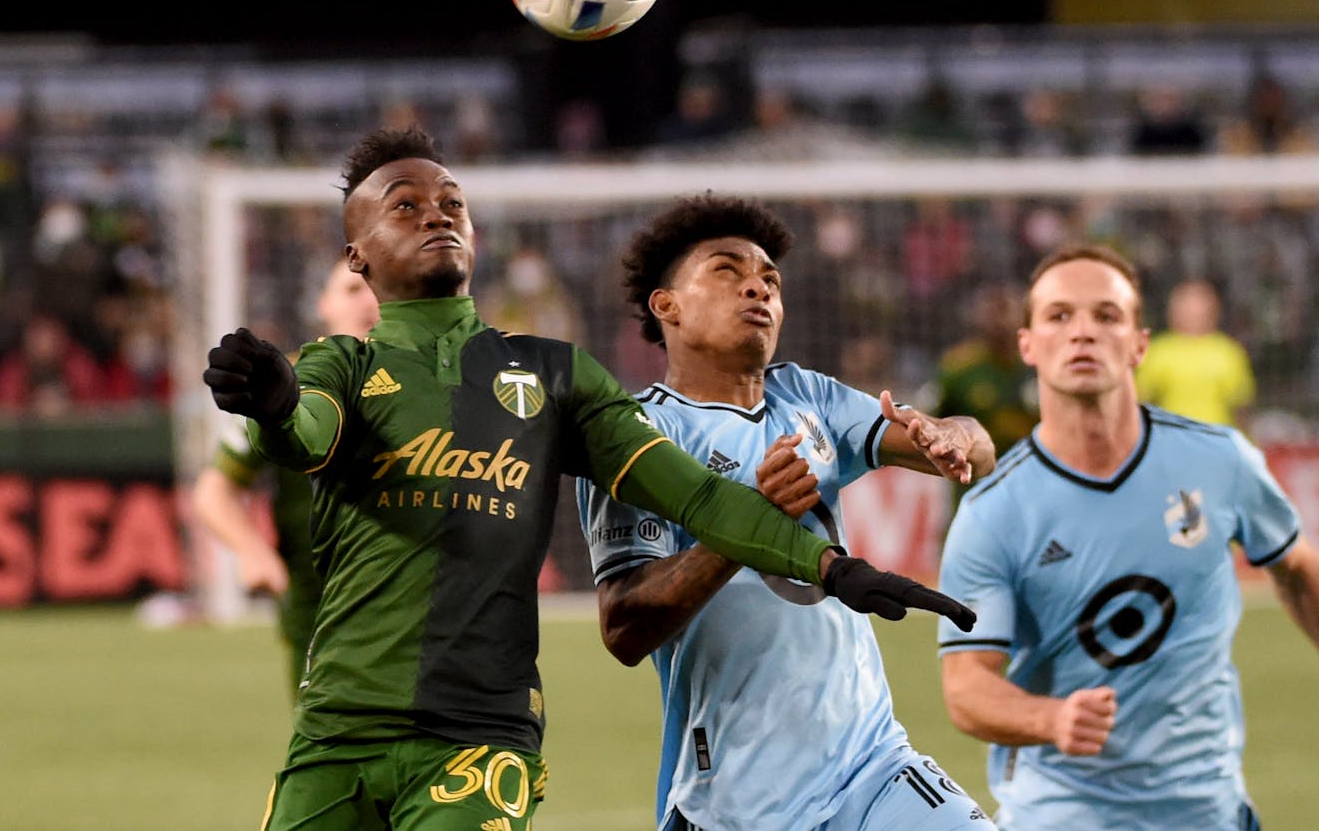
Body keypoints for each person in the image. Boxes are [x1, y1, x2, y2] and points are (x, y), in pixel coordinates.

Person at [201, 125, 975, 831]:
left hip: (474, 740)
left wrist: (836, 569)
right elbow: (308, 437)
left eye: (452, 203)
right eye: (404, 206)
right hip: (335, 729)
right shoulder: (341, 364)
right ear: (357, 255)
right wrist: (273, 402)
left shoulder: (554, 374)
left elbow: (698, 496)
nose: (436, 215)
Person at [576, 194, 997, 831]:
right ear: (667, 306)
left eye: (770, 279)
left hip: (873, 762)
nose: (757, 287)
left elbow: (974, 444)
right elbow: (625, 628)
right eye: (727, 271)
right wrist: (747, 520)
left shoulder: (808, 395)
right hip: (739, 796)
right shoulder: (638, 437)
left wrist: (952, 435)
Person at [936, 243, 1319, 830]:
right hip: (1061, 817)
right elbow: (966, 686)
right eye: (1060, 316)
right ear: (1028, 345)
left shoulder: (1221, 461)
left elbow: (1294, 566)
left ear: (1140, 343)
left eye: (1106, 316)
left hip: (1207, 814)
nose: (1083, 332)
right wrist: (1052, 720)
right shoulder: (994, 513)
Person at [193, 261, 381, 697]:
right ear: (324, 304)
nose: (369, 301)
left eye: (377, 288)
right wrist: (252, 551)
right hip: (319, 607)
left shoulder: (428, 379)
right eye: (353, 289)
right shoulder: (281, 385)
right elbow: (213, 491)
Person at [928, 282, 1039, 507]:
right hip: (975, 492)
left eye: (1005, 311)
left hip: (1034, 490)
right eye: (992, 312)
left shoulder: (1041, 366)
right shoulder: (959, 370)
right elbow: (928, 424)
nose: (999, 321)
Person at [1134, 277, 1255, 429]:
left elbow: (1241, 406)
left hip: (1216, 442)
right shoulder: (1158, 351)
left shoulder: (1228, 352)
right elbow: (1139, 403)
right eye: (1185, 304)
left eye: (1198, 304)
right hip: (1172, 441)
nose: (1192, 312)